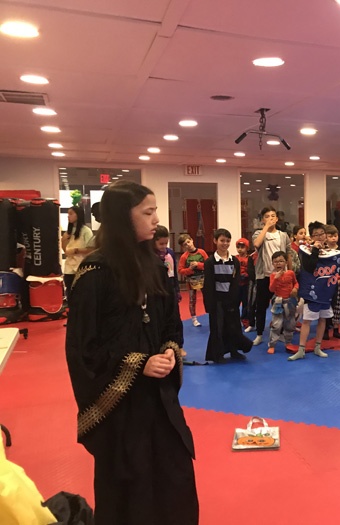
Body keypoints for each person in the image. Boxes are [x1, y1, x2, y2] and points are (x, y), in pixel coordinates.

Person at [65, 180, 198, 524]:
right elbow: (83, 349)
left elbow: (170, 324)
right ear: (123, 217)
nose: (157, 220)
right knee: (130, 487)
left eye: (155, 211)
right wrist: (138, 364)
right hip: (121, 409)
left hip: (160, 401)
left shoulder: (155, 266)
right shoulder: (95, 274)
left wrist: (169, 352)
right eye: (147, 212)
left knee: (175, 477)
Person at [288, 222, 340, 361]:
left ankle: (318, 347)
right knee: (307, 320)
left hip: (326, 292)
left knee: (323, 319)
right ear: (311, 236)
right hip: (311, 292)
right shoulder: (306, 250)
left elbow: (337, 269)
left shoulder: (332, 252)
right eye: (316, 235)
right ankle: (301, 349)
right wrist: (316, 250)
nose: (319, 237)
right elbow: (310, 267)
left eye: (321, 234)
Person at [203, 229, 253, 363]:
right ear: (215, 241)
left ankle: (234, 351)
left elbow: (235, 282)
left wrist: (234, 299)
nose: (225, 243)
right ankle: (217, 355)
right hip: (217, 301)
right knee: (218, 328)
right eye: (222, 240)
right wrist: (209, 305)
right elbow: (208, 285)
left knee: (233, 326)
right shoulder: (210, 262)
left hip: (231, 300)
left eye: (227, 241)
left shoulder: (234, 261)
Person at [252, 207, 293, 347]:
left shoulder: (283, 235)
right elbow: (256, 244)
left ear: (277, 218)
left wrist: (290, 273)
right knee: (261, 306)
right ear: (263, 219)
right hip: (264, 275)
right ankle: (259, 334)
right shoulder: (258, 233)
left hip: (281, 276)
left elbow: (288, 254)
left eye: (273, 216)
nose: (270, 218)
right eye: (267, 216)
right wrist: (265, 227)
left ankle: (280, 332)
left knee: (282, 305)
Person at [154, 225, 183, 347]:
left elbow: (174, 273)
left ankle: (179, 345)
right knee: (160, 319)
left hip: (171, 288)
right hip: (157, 290)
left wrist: (177, 290)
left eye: (166, 243)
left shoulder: (170, 253)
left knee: (176, 318)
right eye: (161, 244)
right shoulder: (151, 255)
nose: (164, 246)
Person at [268, 250, 299, 354]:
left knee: (290, 323)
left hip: (290, 301)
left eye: (281, 261)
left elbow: (296, 283)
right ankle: (272, 344)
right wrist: (276, 279)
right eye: (275, 262)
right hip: (278, 301)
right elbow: (271, 289)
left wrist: (295, 288)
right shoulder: (273, 275)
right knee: (276, 324)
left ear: (286, 262)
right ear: (272, 264)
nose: (278, 263)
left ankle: (288, 342)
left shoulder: (290, 273)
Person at [61, 205, 94, 299]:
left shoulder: (86, 231)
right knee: (70, 292)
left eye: (71, 214)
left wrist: (76, 250)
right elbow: (65, 251)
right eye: (68, 214)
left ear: (78, 215)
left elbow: (91, 249)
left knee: (82, 293)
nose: (68, 216)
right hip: (69, 266)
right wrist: (64, 240)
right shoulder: (68, 232)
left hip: (82, 266)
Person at [178, 233, 208, 327]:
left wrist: (199, 265)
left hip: (204, 279)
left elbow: (208, 265)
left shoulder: (202, 252)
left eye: (188, 242)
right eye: (185, 244)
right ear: (183, 247)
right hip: (191, 281)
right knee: (192, 300)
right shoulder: (184, 257)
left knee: (208, 297)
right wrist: (189, 269)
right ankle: (194, 318)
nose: (188, 245)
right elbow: (180, 270)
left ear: (192, 240)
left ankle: (210, 313)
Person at [326, 224, 340, 340]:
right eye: (330, 236)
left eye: (335, 236)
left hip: (338, 282)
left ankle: (336, 330)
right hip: (325, 283)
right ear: (326, 237)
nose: (333, 238)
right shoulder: (323, 250)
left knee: (337, 306)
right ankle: (324, 330)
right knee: (325, 306)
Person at [234, 238, 255, 331]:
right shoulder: (234, 258)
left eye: (242, 247)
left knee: (246, 304)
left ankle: (245, 320)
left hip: (246, 285)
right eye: (238, 247)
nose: (240, 249)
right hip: (236, 285)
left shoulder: (249, 258)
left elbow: (251, 270)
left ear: (247, 248)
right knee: (235, 303)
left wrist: (246, 275)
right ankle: (235, 320)